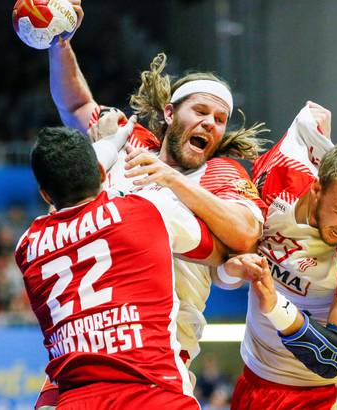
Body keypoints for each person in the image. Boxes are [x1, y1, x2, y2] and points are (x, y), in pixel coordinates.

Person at [36, 1, 268, 407]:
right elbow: (74, 106)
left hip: (154, 356)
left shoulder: (222, 175)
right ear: (168, 112)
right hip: (86, 345)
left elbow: (247, 234)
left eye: (219, 119)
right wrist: (60, 43)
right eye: (201, 111)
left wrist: (173, 181)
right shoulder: (125, 138)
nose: (211, 123)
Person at [16, 126, 228, 409]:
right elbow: (220, 251)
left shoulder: (27, 246)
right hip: (155, 396)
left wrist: (110, 144)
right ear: (102, 175)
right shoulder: (150, 208)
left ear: (44, 194)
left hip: (76, 400)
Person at [219, 102, 337, 409]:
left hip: (319, 396)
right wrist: (228, 271)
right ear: (316, 189)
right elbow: (310, 116)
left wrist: (277, 307)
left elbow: (334, 357)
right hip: (251, 382)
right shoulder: (278, 173)